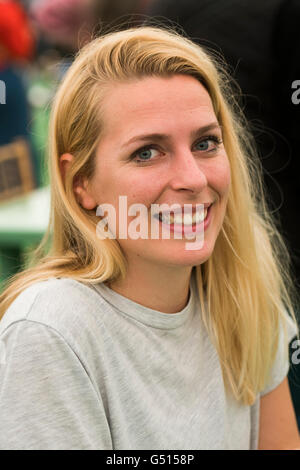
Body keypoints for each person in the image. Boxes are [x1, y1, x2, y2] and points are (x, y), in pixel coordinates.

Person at [0, 26, 299, 450]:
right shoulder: (50, 331)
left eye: (206, 143)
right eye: (147, 152)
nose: (194, 179)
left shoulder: (244, 292)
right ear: (80, 182)